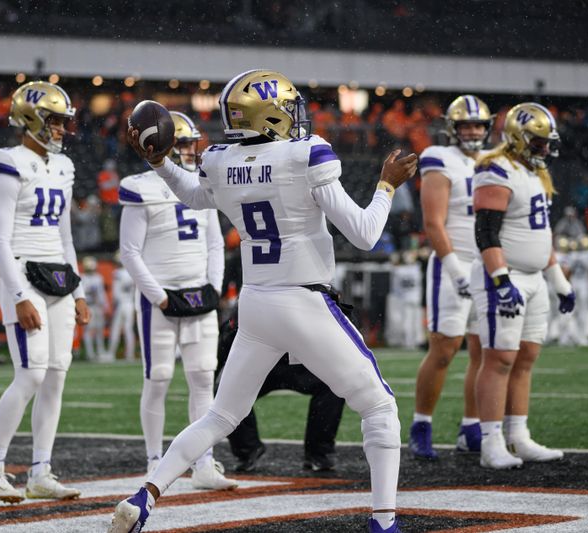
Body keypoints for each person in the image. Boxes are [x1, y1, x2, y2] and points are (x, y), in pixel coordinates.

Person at [111, 69, 418, 533]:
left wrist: (160, 164)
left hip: (255, 302)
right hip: (302, 299)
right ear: (270, 115)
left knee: (220, 415)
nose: (296, 117)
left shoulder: (219, 159)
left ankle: (145, 495)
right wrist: (387, 185)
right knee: (379, 408)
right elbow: (365, 233)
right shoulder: (305, 155)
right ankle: (384, 523)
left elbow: (194, 197)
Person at [0, 81, 89, 504]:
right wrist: (18, 293)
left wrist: (76, 289)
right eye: (54, 120)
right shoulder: (8, 162)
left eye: (63, 122)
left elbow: (65, 235)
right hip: (23, 274)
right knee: (31, 374)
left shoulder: (64, 167)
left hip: (58, 275)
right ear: (30, 119)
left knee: (56, 376)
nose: (60, 129)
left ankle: (41, 470)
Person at [118, 110, 235, 490]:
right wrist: (159, 297)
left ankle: (204, 462)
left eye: (188, 144)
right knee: (159, 379)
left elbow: (215, 243)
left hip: (199, 295)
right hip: (162, 299)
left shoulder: (201, 184)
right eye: (183, 144)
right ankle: (155, 461)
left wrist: (214, 288)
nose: (189, 151)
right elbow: (130, 252)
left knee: (203, 378)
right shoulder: (140, 186)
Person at [470, 103, 575, 470]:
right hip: (505, 274)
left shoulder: (535, 173)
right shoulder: (495, 168)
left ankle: (518, 435)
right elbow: (486, 232)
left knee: (526, 358)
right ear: (517, 136)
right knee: (499, 359)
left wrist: (559, 282)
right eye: (538, 141)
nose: (545, 148)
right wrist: (500, 280)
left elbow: (540, 236)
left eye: (547, 142)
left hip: (533, 278)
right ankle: (491, 442)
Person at [410, 95, 492, 459]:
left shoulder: (496, 160)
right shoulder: (439, 158)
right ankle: (421, 425)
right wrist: (457, 269)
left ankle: (471, 426)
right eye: (466, 125)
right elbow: (433, 222)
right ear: (452, 128)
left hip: (488, 264)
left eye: (477, 125)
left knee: (483, 350)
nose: (472, 131)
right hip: (452, 263)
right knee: (444, 349)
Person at [217, 306, 345, 473]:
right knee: (224, 390)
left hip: (301, 363)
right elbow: (228, 337)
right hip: (261, 365)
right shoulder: (252, 295)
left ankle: (319, 452)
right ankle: (247, 449)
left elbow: (343, 326)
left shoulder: (312, 291)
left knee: (335, 383)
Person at [563, 234, 588, 346]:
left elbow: (567, 272)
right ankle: (582, 337)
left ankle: (570, 335)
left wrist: (566, 284)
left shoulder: (572, 255)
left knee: (573, 312)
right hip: (585, 285)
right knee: (582, 312)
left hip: (574, 285)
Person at [390, 249, 423, 349]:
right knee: (415, 320)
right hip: (415, 297)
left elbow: (393, 265)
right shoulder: (416, 268)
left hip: (406, 298)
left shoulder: (399, 270)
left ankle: (409, 341)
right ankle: (416, 340)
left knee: (407, 321)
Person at [107, 255, 136, 361]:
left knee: (115, 329)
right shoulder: (132, 272)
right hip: (130, 303)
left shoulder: (117, 273)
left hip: (121, 304)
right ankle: (130, 354)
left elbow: (116, 292)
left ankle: (111, 353)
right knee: (128, 330)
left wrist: (114, 304)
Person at [80, 255, 108, 361]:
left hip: (97, 306)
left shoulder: (98, 277)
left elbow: (101, 293)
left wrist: (105, 306)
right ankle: (90, 354)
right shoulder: (82, 277)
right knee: (89, 330)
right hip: (89, 306)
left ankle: (100, 351)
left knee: (99, 330)